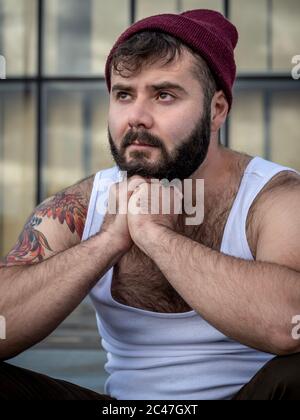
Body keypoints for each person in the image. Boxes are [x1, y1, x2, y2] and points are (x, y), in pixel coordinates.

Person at [0, 9, 300, 401]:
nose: (137, 118)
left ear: (217, 110)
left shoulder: (273, 198)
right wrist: (110, 239)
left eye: (164, 95)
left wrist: (154, 235)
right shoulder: (79, 205)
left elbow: (288, 325)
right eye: (123, 94)